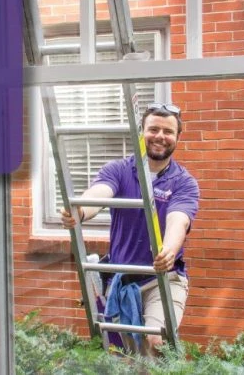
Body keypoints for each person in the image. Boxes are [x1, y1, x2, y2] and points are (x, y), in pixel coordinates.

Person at [61, 102, 199, 356]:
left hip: (164, 279)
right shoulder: (119, 170)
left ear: (178, 137)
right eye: (153, 129)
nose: (160, 136)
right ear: (141, 132)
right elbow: (100, 193)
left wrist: (167, 251)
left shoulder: (184, 182)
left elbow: (178, 219)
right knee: (126, 356)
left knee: (157, 344)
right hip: (123, 280)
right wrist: (79, 212)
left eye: (168, 131)